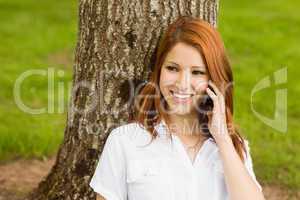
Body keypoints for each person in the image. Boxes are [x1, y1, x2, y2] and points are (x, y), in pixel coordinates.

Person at [89, 16, 266, 200]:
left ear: (213, 80)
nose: (182, 83)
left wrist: (222, 139)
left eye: (197, 72)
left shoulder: (232, 147)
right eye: (173, 68)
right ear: (159, 71)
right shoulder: (124, 141)